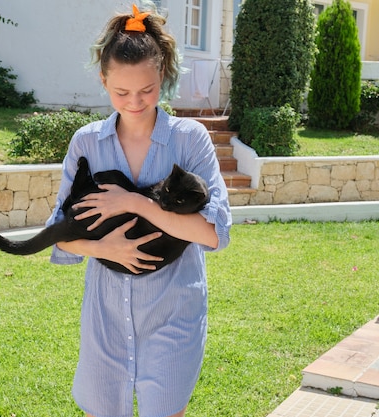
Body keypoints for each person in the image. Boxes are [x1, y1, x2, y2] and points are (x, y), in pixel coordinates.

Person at [45, 4, 232, 417]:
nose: (134, 102)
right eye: (121, 92)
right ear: (103, 80)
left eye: (146, 91)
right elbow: (60, 231)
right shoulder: (87, 143)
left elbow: (212, 233)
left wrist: (133, 202)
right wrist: (105, 250)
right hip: (105, 316)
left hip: (174, 313)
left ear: (162, 76)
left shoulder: (191, 139)